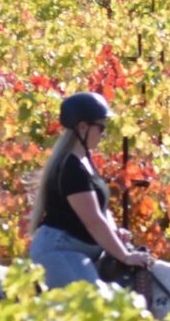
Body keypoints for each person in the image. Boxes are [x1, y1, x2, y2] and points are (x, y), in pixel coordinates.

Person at [27, 91, 156, 289]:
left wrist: (114, 233)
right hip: (60, 251)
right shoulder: (71, 169)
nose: (103, 134)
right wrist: (125, 256)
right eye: (101, 128)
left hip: (83, 250)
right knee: (95, 305)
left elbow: (102, 210)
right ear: (83, 127)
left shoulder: (85, 161)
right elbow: (93, 220)